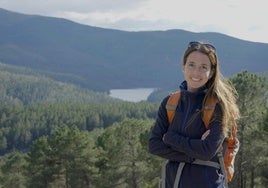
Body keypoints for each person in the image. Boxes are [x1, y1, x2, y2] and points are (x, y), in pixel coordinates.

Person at [148, 41, 240, 188]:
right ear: (183, 67)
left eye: (203, 67)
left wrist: (170, 138)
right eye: (191, 65)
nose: (196, 72)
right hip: (171, 183)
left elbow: (207, 151)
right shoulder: (171, 103)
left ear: (211, 72)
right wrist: (192, 152)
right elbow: (154, 145)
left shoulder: (218, 106)